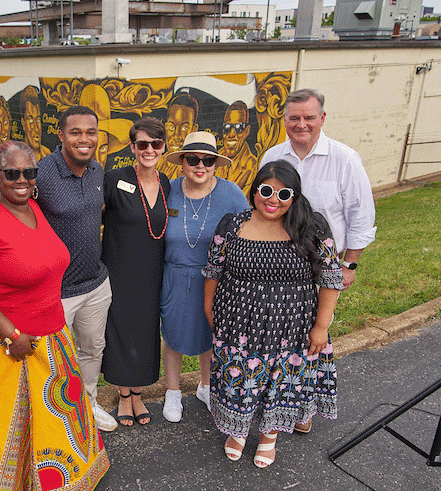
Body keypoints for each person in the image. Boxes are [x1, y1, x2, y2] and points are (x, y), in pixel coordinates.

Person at [0, 140, 109, 491]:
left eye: (29, 172)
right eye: (12, 173)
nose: (21, 180)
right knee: (5, 422)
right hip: (4, 343)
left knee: (53, 414)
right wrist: (12, 334)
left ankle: (51, 485)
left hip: (49, 333)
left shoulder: (34, 208)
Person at [203, 161, 344, 468]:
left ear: (295, 197)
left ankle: (269, 436)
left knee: (281, 381)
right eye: (266, 191)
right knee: (238, 377)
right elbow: (214, 270)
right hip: (238, 323)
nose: (273, 199)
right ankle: (237, 431)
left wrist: (321, 327)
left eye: (284, 194)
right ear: (254, 192)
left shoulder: (312, 226)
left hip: (292, 326)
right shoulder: (233, 224)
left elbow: (331, 279)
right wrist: (208, 306)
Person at [260, 88, 376, 432]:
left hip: (320, 269)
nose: (302, 124)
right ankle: (274, 397)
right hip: (276, 268)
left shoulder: (345, 159)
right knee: (279, 336)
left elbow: (361, 216)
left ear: (322, 118)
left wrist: (349, 264)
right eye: (294, 118)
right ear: (284, 120)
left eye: (309, 117)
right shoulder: (273, 156)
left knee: (315, 338)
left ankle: (303, 408)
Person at [35, 104, 117, 432]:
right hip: (56, 290)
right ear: (61, 135)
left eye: (90, 132)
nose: (84, 139)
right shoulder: (43, 172)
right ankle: (54, 416)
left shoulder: (98, 171)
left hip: (95, 283)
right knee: (50, 358)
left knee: (92, 348)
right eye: (76, 132)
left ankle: (88, 404)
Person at [161, 132, 248, 422]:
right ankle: (172, 391)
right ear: (182, 162)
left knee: (211, 334)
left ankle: (207, 386)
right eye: (193, 159)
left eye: (208, 160)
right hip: (174, 274)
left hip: (216, 279)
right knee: (172, 335)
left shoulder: (231, 192)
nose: (201, 165)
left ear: (215, 164)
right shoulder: (167, 189)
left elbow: (248, 230)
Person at [102, 118, 171, 426]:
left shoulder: (166, 182)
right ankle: (124, 396)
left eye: (155, 144)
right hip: (119, 267)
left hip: (153, 270)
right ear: (132, 147)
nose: (149, 150)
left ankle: (139, 393)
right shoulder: (115, 178)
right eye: (142, 144)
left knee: (145, 331)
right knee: (120, 330)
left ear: (163, 147)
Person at [215, 101, 258, 193]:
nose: (231, 134)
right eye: (227, 127)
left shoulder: (251, 165)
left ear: (247, 131)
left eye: (239, 127)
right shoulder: (216, 157)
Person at [156, 93, 200, 180]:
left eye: (184, 128)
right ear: (165, 127)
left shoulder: (197, 169)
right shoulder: (157, 163)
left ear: (194, 130)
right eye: (172, 127)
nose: (177, 136)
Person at [20, 86, 50, 161]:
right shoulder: (18, 157)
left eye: (38, 120)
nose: (36, 128)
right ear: (23, 124)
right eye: (30, 120)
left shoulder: (48, 155)